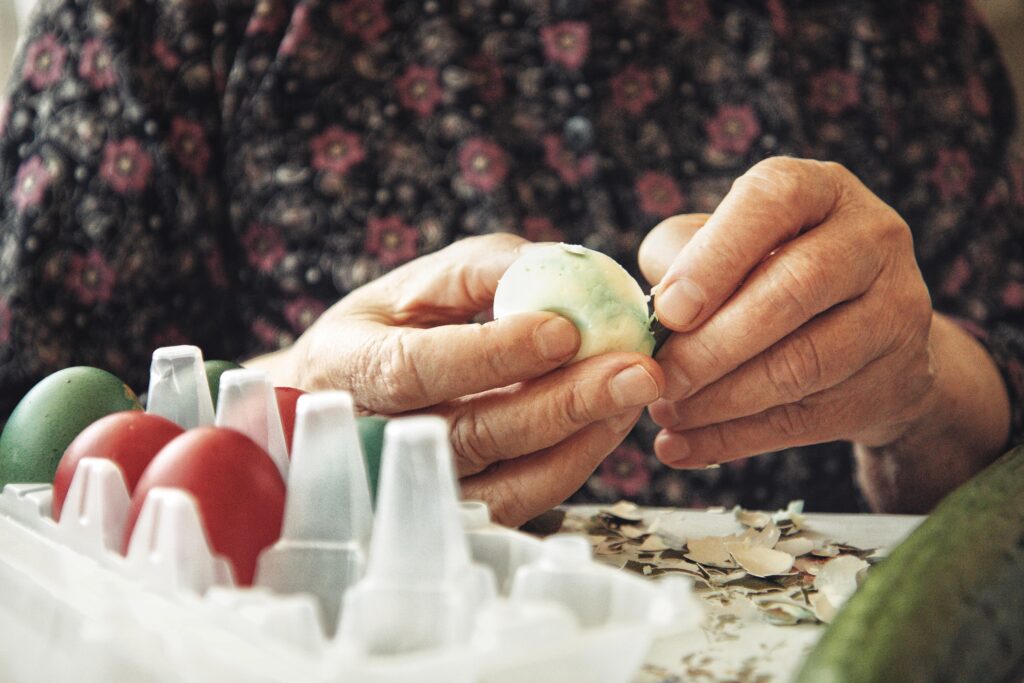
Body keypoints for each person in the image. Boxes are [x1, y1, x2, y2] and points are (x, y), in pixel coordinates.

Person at [1, 0, 1021, 526]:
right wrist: (274, 415)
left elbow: (999, 446)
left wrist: (918, 389)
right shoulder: (170, 20)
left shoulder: (894, 32)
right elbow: (36, 441)